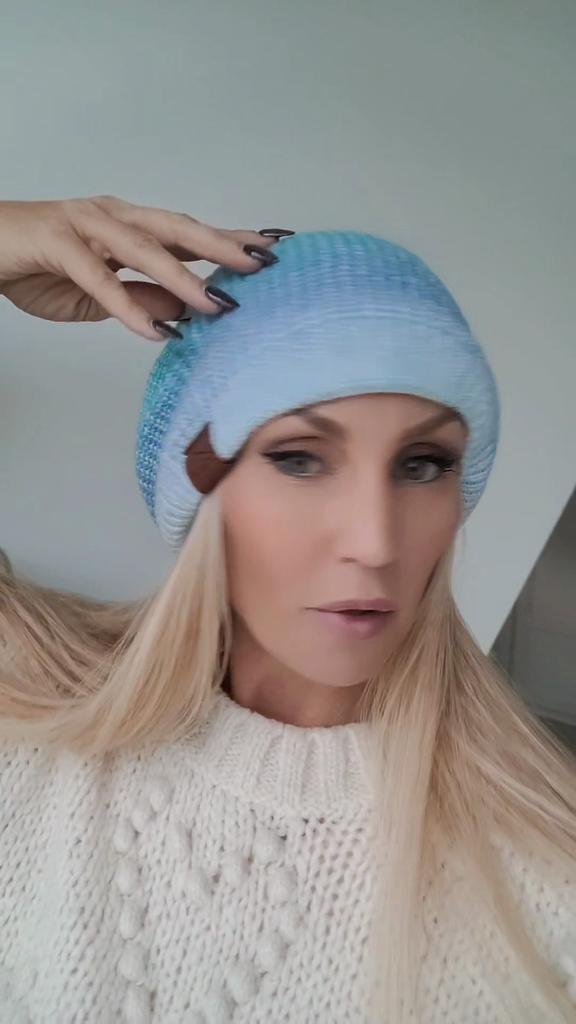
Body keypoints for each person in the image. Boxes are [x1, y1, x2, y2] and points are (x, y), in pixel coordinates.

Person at [0, 196, 574, 1024]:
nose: (375, 542)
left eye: (422, 465)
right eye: (300, 459)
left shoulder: (545, 888)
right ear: (200, 490)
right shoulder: (31, 716)